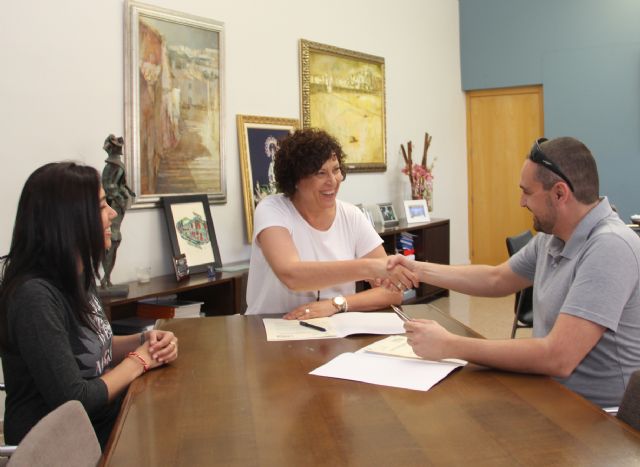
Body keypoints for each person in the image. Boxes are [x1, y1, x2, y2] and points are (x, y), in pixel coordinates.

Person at [387, 136, 640, 407]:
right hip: (554, 396)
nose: (521, 202)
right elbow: (496, 279)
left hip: (603, 420)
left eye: (527, 192)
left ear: (559, 193)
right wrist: (418, 269)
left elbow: (558, 357)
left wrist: (450, 345)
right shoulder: (553, 237)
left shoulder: (611, 246)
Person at [0, 162, 178, 449]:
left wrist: (145, 339)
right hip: (60, 448)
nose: (112, 213)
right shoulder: (33, 296)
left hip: (102, 425)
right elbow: (74, 398)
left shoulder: (75, 274)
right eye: (100, 206)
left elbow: (92, 347)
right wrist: (140, 360)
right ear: (67, 219)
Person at [245, 128, 416, 318]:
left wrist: (336, 304)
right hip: (271, 328)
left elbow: (393, 291)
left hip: (334, 331)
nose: (333, 181)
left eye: (336, 170)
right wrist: (369, 267)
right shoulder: (272, 209)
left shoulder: (351, 215)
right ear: (296, 179)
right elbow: (291, 275)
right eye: (320, 173)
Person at [100, 134, 136, 288]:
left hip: (119, 205)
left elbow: (120, 183)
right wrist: (120, 198)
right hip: (115, 203)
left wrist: (127, 191)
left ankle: (107, 278)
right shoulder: (111, 166)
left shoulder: (116, 165)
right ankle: (105, 278)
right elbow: (109, 186)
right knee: (112, 240)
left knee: (115, 240)